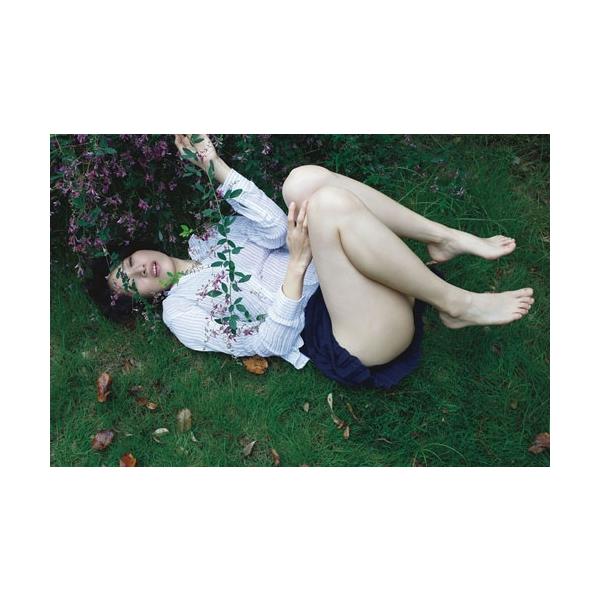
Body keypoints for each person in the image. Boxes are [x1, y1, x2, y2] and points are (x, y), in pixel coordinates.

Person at [91, 134, 534, 390]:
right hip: (348, 332)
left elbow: (272, 227)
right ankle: (456, 304)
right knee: (325, 207)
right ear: (143, 299)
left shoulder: (208, 238)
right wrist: (297, 265)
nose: (139, 269)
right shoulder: (179, 312)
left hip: (355, 276)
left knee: (302, 183)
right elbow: (266, 342)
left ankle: (442, 238)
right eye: (130, 282)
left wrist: (214, 165)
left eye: (129, 261)